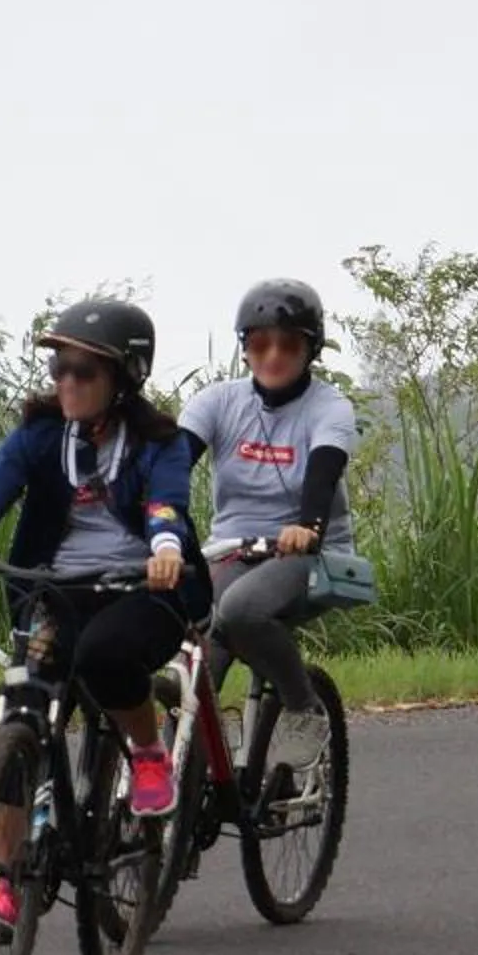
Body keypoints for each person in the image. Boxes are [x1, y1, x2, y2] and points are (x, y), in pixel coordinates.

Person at [0, 297, 211, 937]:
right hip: (58, 592)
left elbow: (167, 505)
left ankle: (147, 753)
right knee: (22, 708)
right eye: (59, 369)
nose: (67, 382)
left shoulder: (160, 444)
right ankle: (2, 883)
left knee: (103, 657)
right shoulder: (41, 437)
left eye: (83, 371)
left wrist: (165, 551)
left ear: (123, 379)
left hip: (140, 591)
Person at [175, 278, 359, 716]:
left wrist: (308, 527)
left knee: (240, 611)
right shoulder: (217, 401)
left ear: (311, 350)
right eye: (260, 344)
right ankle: (189, 752)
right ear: (245, 348)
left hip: (307, 552)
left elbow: (323, 474)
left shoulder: (330, 407)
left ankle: (303, 710)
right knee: (196, 640)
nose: (273, 355)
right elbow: (171, 466)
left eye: (288, 345)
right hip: (232, 549)